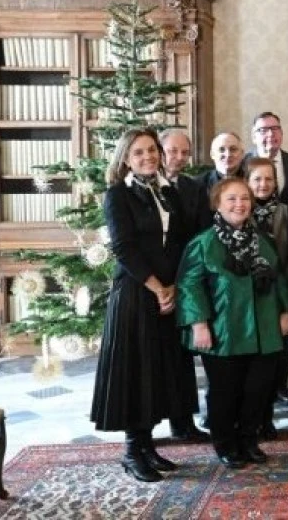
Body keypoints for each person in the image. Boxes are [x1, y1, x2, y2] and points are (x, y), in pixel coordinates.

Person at [90, 128, 197, 482]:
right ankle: (132, 451)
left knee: (158, 371)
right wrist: (157, 288)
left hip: (168, 293)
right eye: (139, 153)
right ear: (125, 159)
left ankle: (149, 446)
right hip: (136, 295)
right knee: (136, 372)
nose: (148, 157)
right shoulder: (117, 195)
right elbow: (124, 248)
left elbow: (183, 242)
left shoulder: (168, 193)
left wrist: (175, 288)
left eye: (152, 150)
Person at [176, 177, 288, 469]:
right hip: (223, 330)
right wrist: (198, 323)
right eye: (231, 199)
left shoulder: (262, 240)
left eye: (244, 198)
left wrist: (284, 312)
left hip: (264, 329)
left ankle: (248, 440)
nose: (239, 204)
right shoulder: (203, 243)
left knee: (258, 390)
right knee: (225, 391)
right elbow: (189, 285)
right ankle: (226, 444)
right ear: (218, 203)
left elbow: (279, 278)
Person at [158, 127, 210, 442]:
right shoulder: (148, 187)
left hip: (186, 279)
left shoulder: (193, 187)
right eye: (172, 151)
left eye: (184, 152)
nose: (178, 158)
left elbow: (202, 234)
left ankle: (183, 422)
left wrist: (188, 280)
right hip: (154, 284)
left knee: (182, 357)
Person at [245, 157, 288, 439]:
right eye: (257, 179)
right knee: (249, 365)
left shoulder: (285, 212)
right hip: (246, 300)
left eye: (268, 179)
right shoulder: (238, 210)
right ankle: (248, 420)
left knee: (275, 363)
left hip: (277, 295)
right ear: (248, 182)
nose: (263, 185)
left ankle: (266, 418)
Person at [246, 112, 288, 205]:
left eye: (275, 128)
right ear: (254, 137)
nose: (270, 134)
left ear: (281, 133)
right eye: (263, 130)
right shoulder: (243, 164)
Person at [195, 132, 247, 230]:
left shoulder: (251, 181)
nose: (228, 154)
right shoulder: (198, 185)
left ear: (242, 154)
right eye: (221, 149)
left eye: (233, 149)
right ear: (212, 154)